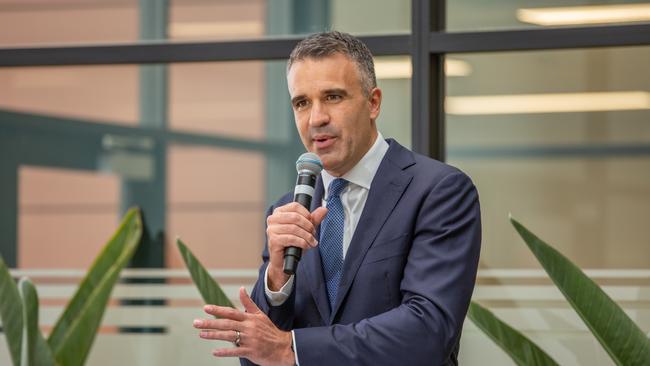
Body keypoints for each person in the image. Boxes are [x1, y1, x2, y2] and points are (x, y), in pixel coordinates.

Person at [192, 31, 481, 366]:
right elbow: (260, 356)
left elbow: (428, 331)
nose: (316, 118)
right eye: (302, 103)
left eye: (332, 97)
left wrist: (294, 349)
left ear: (373, 103)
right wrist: (276, 278)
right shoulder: (289, 210)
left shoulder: (437, 191)